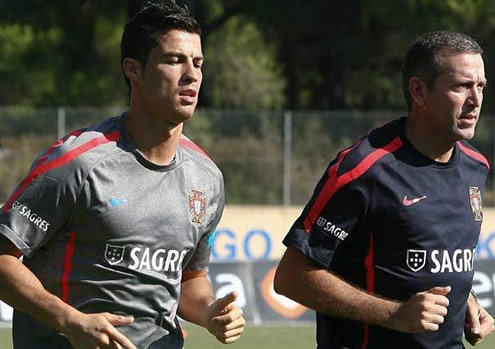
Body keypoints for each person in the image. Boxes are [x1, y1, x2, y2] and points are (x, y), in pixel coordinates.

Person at [0, 1, 245, 348]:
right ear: (133, 69)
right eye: (174, 60)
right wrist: (69, 320)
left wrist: (208, 312)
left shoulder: (207, 178)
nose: (191, 74)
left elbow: (191, 278)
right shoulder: (77, 163)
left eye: (198, 63)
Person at [274, 30, 495, 348]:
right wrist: (394, 314)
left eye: (480, 87)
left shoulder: (476, 167)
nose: (475, 100)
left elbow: (435, 263)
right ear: (418, 91)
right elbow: (291, 276)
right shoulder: (364, 169)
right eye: (461, 86)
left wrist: (466, 299)